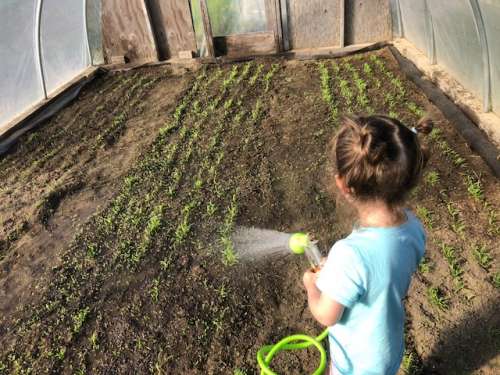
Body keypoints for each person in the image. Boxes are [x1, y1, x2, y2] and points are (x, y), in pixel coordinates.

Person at [303, 115, 432, 375]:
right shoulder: (414, 228)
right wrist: (340, 272)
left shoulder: (349, 254)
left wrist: (311, 286)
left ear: (342, 184)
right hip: (387, 351)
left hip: (355, 361)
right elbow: (378, 270)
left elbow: (327, 316)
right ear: (407, 179)